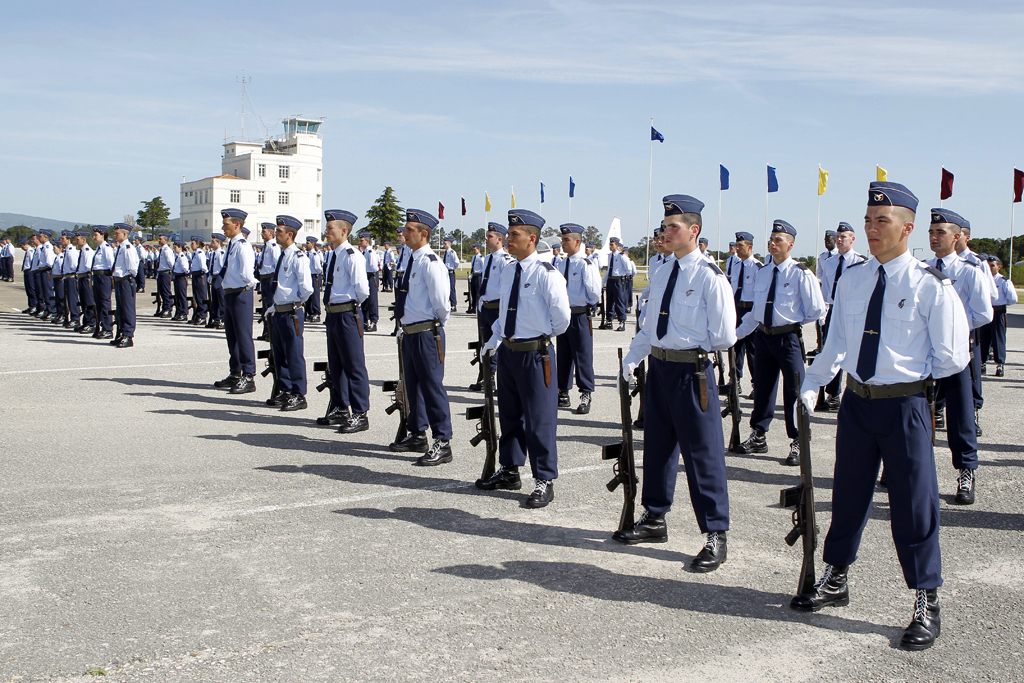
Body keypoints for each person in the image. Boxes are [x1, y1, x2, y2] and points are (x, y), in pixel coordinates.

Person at [795, 181, 969, 651]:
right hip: (857, 402)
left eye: (882, 221)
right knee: (848, 492)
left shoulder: (930, 285)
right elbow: (836, 344)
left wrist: (909, 381)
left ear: (907, 228)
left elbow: (953, 357)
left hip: (905, 407)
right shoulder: (852, 278)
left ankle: (925, 599)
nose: (871, 229)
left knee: (914, 504)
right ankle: (836, 576)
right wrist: (811, 385)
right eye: (868, 221)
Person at [613, 195, 736, 572]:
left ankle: (715, 532)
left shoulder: (709, 276)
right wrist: (634, 357)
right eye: (664, 227)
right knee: (658, 447)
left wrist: (691, 349)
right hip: (661, 370)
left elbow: (725, 335)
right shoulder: (663, 271)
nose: (665, 233)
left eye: (673, 227)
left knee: (703, 454)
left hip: (692, 374)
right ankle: (654, 517)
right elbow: (650, 326)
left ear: (693, 231)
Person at [477, 209, 570, 508]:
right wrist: (494, 341)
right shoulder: (507, 270)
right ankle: (510, 469)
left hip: (535, 355)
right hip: (508, 353)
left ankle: (544, 478)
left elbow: (562, 320)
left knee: (540, 419)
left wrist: (538, 337)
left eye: (514, 235)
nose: (508, 239)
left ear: (531, 238)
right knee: (510, 415)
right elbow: (504, 315)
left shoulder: (545, 273)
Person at [732, 220, 826, 465]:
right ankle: (759, 435)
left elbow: (816, 310)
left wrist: (790, 323)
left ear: (790, 244)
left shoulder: (801, 274)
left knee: (795, 390)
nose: (772, 244)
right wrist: (736, 335)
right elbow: (755, 313)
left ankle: (798, 440)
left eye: (778, 240)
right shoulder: (762, 272)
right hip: (763, 336)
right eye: (771, 240)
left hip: (787, 339)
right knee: (763, 388)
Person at [926, 208, 991, 505]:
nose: (934, 237)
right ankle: (904, 467)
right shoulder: (922, 268)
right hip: (925, 355)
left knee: (961, 415)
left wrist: (954, 328)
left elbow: (984, 313)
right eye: (931, 232)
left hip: (956, 354)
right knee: (917, 412)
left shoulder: (969, 271)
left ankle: (966, 470)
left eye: (940, 233)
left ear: (956, 237)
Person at [389, 209, 454, 465]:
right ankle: (418, 434)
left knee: (431, 386)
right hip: (411, 333)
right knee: (412, 386)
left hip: (427, 333)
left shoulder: (431, 262)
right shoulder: (412, 259)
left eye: (409, 230)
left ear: (423, 234)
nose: (404, 234)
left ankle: (442, 440)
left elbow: (442, 303)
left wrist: (435, 326)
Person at [320, 209, 372, 432]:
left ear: (343, 231)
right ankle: (341, 407)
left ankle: (360, 412)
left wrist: (348, 307)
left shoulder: (353, 255)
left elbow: (362, 290)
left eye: (330, 228)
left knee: (353, 364)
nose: (326, 231)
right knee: (336, 364)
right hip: (332, 314)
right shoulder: (334, 255)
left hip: (347, 314)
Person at [815, 222, 867, 411]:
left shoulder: (861, 262)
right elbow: (826, 290)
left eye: (843, 237)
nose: (839, 240)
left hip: (854, 312)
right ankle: (833, 394)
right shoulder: (828, 262)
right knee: (832, 351)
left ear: (852, 239)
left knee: (854, 353)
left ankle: (856, 391)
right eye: (837, 236)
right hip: (834, 310)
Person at [264, 216, 313, 411]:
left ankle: (298, 393)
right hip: (279, 311)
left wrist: (296, 303)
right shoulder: (283, 255)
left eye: (279, 231)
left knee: (294, 353)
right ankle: (285, 390)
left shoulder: (298, 256)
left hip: (291, 312)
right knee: (280, 353)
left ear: (290, 235)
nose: (276, 234)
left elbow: (307, 288)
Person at [556, 223, 601, 415]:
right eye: (562, 239)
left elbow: (594, 292)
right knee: (563, 354)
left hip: (579, 314)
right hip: (563, 314)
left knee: (582, 355)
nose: (563, 243)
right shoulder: (560, 262)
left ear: (577, 241)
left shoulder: (586, 263)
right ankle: (563, 391)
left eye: (566, 239)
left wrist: (584, 306)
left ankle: (586, 392)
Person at [213, 209, 258, 395]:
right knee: (232, 336)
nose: (223, 228)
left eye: (226, 225)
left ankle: (248, 375)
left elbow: (248, 273)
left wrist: (249, 287)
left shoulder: (243, 245)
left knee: (243, 336)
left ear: (237, 225)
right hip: (231, 293)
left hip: (241, 294)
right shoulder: (232, 245)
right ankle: (235, 372)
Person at [469, 223, 513, 392]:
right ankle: (486, 377)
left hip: (497, 308)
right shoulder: (487, 258)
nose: (486, 239)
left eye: (490, 237)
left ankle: (496, 378)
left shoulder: (505, 260)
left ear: (500, 240)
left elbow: (505, 288)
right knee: (484, 343)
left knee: (497, 344)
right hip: (486, 308)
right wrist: (480, 303)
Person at [729, 232, 762, 397]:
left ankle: (757, 384)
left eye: (740, 246)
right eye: (737, 245)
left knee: (753, 351)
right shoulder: (735, 266)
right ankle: (734, 381)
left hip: (751, 311)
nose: (737, 249)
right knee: (735, 348)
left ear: (749, 247)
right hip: (736, 309)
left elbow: (760, 295)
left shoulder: (758, 268)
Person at [980, 255, 1016, 376]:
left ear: (998, 267)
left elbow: (1013, 298)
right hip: (985, 310)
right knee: (983, 338)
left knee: (998, 338)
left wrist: (1000, 304)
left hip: (998, 311)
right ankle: (982, 363)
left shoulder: (1003, 281)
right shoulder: (982, 279)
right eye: (988, 265)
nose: (990, 268)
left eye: (992, 265)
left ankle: (1000, 364)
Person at [110, 223, 140, 347]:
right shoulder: (121, 248)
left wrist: (126, 277)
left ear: (124, 234)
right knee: (121, 308)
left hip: (125, 281)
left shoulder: (128, 248)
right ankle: (122, 333)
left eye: (117, 233)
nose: (115, 235)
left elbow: (133, 268)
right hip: (119, 280)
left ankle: (128, 335)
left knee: (127, 308)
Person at [257, 222, 281, 341]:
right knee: (265, 305)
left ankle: (272, 332)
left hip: (271, 278)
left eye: (264, 231)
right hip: (264, 278)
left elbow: (277, 265)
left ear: (271, 233)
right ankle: (266, 331)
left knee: (271, 304)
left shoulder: (273, 246)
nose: (262, 233)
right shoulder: (266, 247)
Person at [603, 237, 633, 331]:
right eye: (610, 244)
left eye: (612, 245)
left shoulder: (621, 256)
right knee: (609, 301)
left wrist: (623, 278)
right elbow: (608, 270)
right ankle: (609, 320)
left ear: (617, 245)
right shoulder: (610, 256)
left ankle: (621, 321)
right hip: (611, 280)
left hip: (618, 281)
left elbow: (629, 269)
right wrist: (603, 282)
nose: (610, 246)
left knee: (619, 301)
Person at [91, 227, 115, 339]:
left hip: (104, 276)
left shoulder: (106, 248)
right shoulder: (99, 248)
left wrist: (111, 278)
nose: (94, 237)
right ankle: (101, 326)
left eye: (96, 235)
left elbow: (111, 263)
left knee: (105, 302)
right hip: (97, 276)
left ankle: (108, 328)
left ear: (102, 235)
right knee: (98, 302)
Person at [73, 231, 96, 334]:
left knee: (88, 302)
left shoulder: (87, 251)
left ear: (84, 240)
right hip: (82, 277)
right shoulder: (82, 251)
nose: (76, 241)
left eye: (78, 239)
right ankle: (86, 322)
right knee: (83, 301)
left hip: (86, 278)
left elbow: (88, 267)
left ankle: (91, 323)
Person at [58, 231, 81, 329]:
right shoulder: (67, 250)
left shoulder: (71, 251)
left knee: (72, 299)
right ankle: (71, 317)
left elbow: (74, 266)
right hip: (67, 277)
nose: (61, 240)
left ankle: (75, 318)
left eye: (63, 238)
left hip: (71, 277)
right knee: (68, 299)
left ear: (68, 240)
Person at [358, 231, 380, 332]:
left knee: (372, 300)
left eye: (361, 240)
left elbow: (374, 267)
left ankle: (373, 321)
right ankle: (365, 320)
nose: (360, 242)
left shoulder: (371, 252)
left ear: (367, 241)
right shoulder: (364, 252)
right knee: (365, 300)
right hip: (365, 275)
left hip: (370, 276)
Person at [34, 229, 56, 319]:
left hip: (47, 271)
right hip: (43, 270)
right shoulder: (44, 247)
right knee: (44, 292)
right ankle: (48, 309)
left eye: (40, 236)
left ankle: (52, 310)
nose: (39, 238)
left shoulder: (48, 247)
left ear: (45, 237)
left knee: (48, 291)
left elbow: (49, 261)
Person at [188, 237, 209, 326]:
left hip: (200, 276)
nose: (191, 245)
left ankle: (202, 316)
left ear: (197, 244)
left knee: (201, 296)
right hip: (195, 275)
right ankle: (198, 315)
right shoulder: (196, 253)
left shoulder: (200, 254)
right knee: (196, 296)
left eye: (192, 243)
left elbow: (204, 267)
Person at [207, 234, 226, 329]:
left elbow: (223, 267)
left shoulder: (221, 253)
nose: (211, 243)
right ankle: (216, 318)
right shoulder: (214, 253)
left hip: (219, 277)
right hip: (214, 277)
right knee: (215, 300)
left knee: (221, 299)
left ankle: (223, 319)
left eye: (213, 242)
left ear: (219, 243)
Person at [154, 232, 174, 317]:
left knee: (166, 292)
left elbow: (171, 262)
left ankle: (168, 309)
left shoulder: (167, 250)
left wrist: (170, 272)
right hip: (161, 273)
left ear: (165, 240)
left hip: (165, 273)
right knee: (161, 292)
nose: (159, 240)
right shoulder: (162, 249)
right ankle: (164, 308)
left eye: (160, 239)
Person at [305, 236, 324, 323]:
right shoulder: (306, 254)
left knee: (315, 296)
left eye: (308, 243)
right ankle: (310, 312)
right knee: (308, 295)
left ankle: (316, 313)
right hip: (308, 276)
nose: (306, 244)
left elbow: (318, 268)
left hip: (314, 276)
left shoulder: (314, 255)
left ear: (312, 244)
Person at [170, 242, 190, 321]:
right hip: (177, 277)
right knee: (178, 295)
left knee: (182, 296)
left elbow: (185, 269)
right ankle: (179, 312)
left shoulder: (182, 257)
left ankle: (184, 313)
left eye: (175, 247)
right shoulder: (178, 257)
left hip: (181, 277)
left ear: (180, 247)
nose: (174, 249)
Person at [19, 238, 37, 314]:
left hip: (30, 272)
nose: (22, 248)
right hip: (26, 272)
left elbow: (32, 263)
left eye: (22, 246)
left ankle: (34, 305)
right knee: (28, 290)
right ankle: (31, 305)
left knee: (31, 289)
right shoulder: (28, 252)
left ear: (26, 244)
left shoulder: (31, 252)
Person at [442, 237, 460, 312]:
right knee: (445, 288)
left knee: (451, 289)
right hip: (446, 272)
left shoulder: (452, 252)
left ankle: (453, 304)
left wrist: (452, 269)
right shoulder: (446, 252)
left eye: (445, 243)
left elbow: (457, 262)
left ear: (449, 243)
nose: (444, 245)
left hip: (450, 272)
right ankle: (447, 304)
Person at [468, 243, 484, 311]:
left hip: (479, 277)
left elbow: (483, 268)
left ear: (479, 249)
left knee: (478, 293)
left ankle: (478, 307)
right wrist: (471, 275)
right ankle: (473, 307)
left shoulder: (481, 258)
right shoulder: (473, 257)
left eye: (475, 249)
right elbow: (473, 268)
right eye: (473, 249)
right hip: (474, 276)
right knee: (473, 292)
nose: (473, 250)